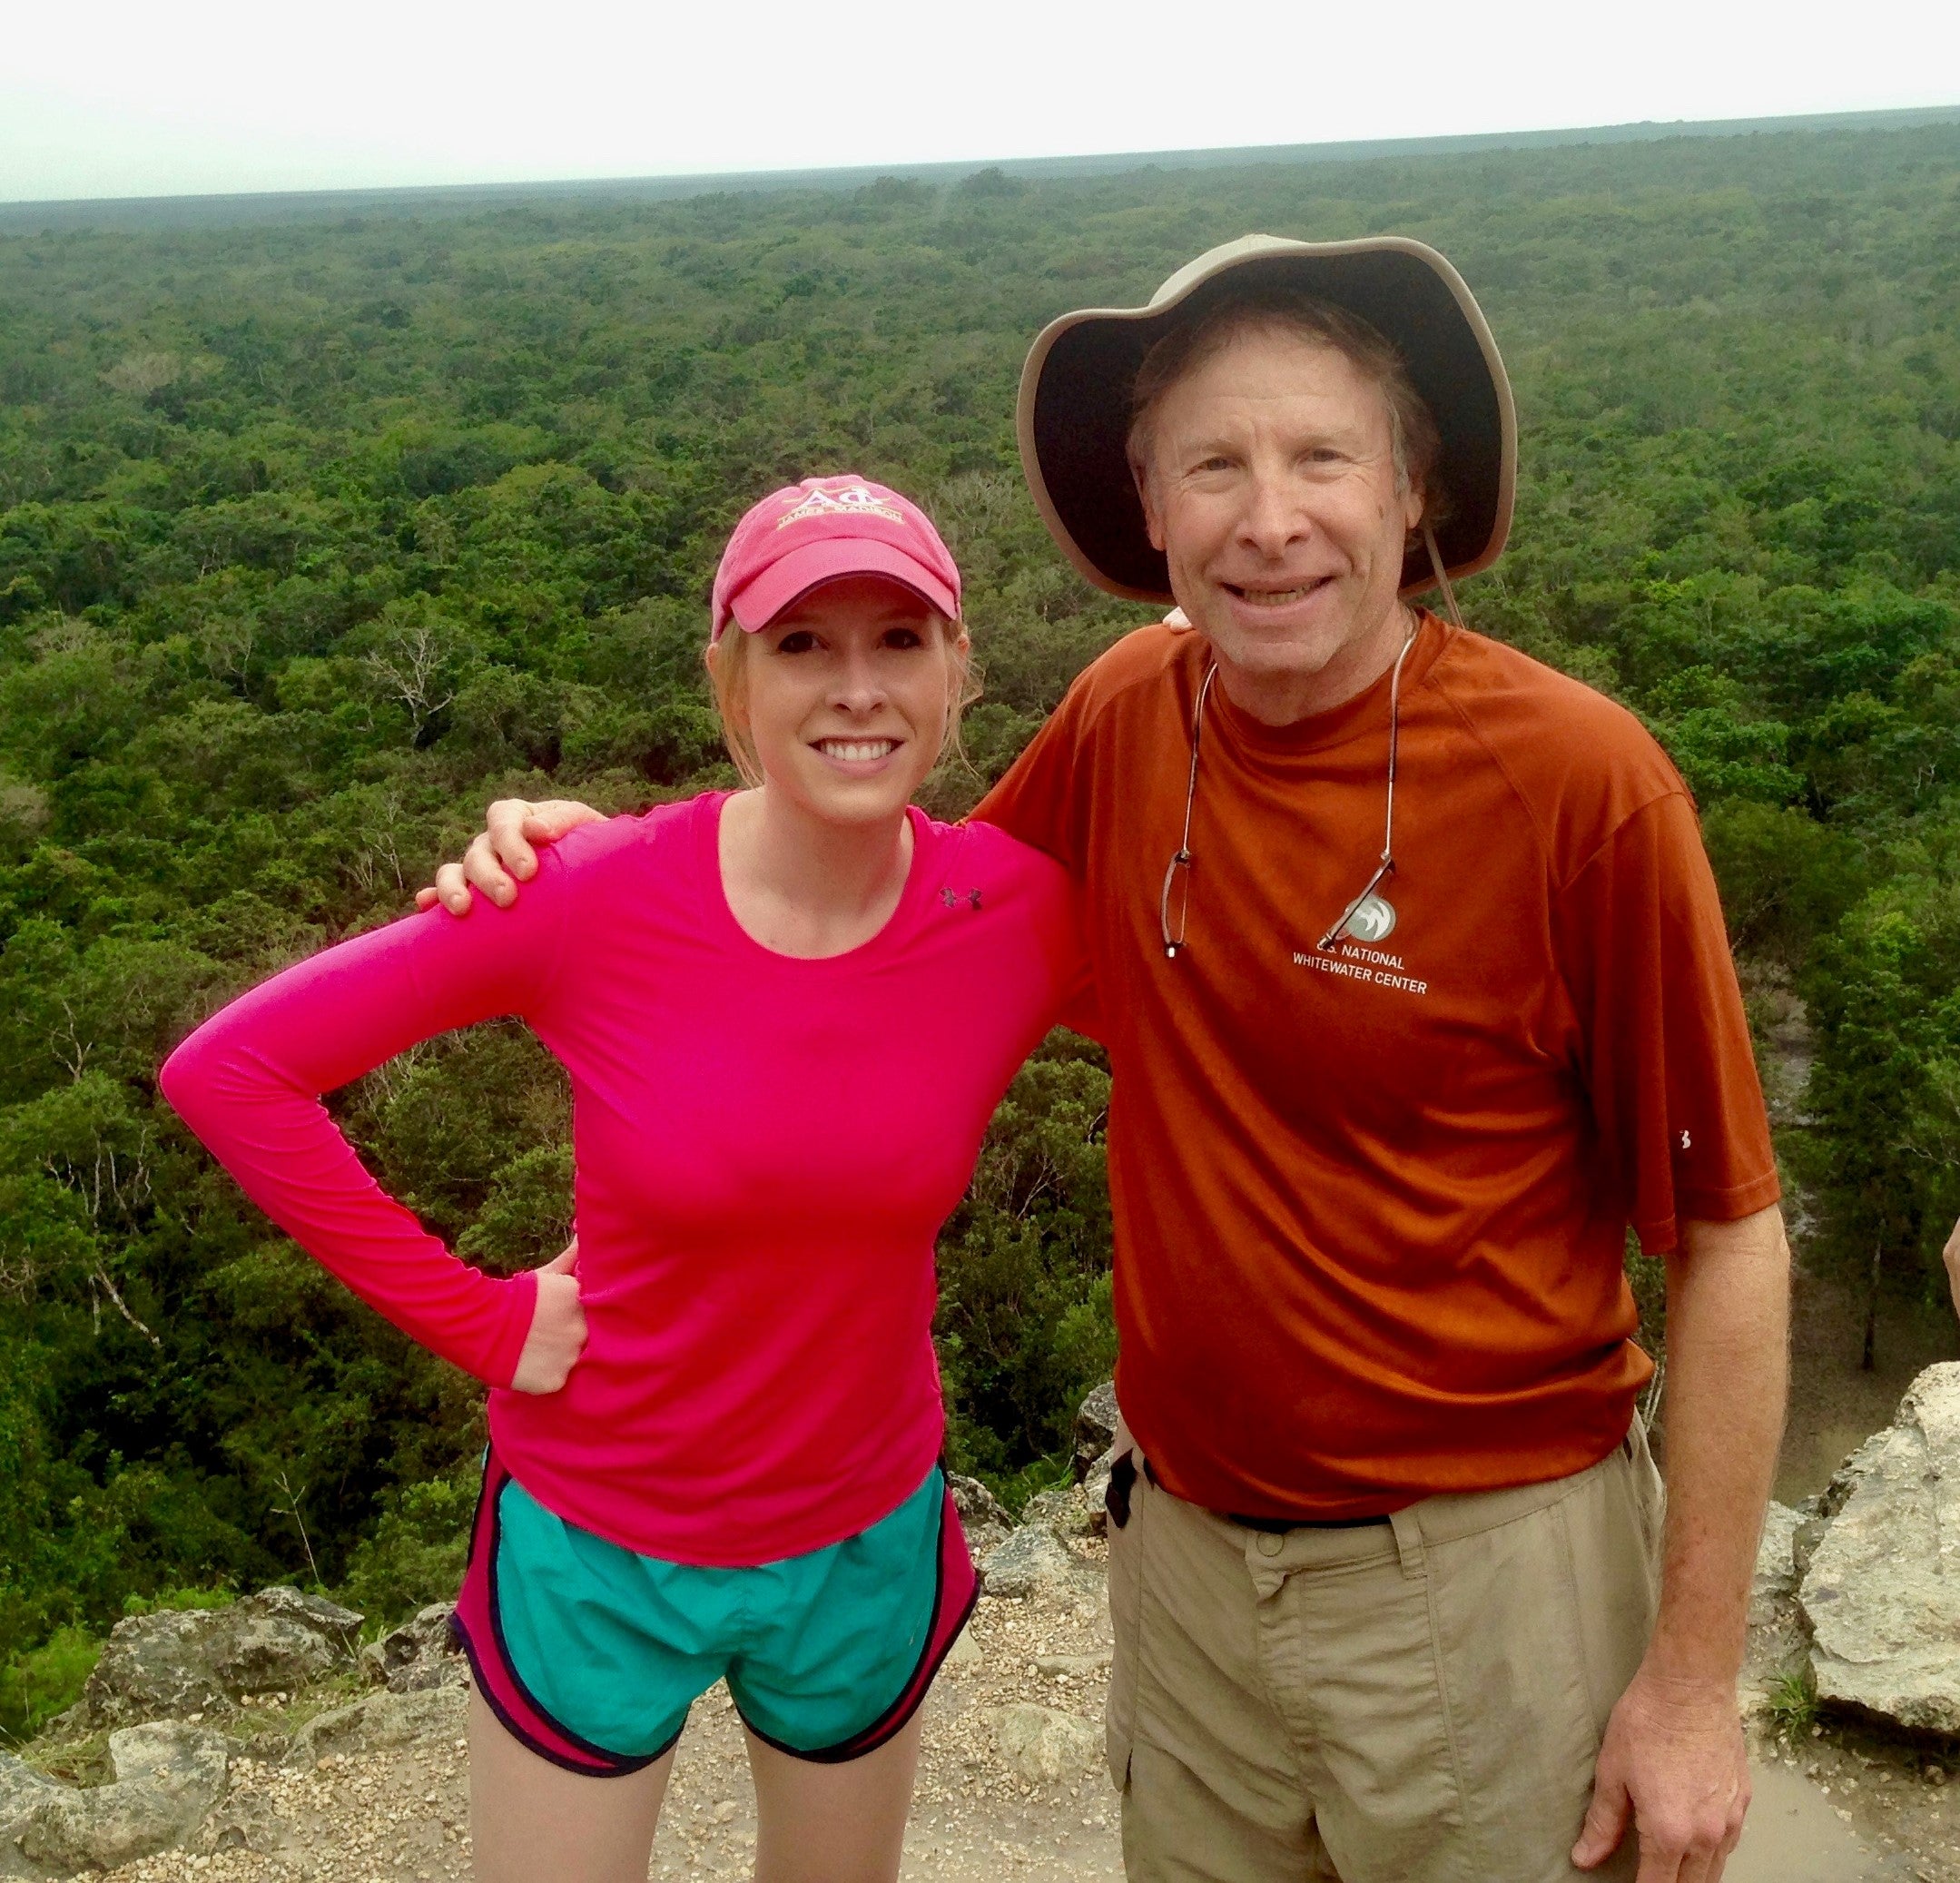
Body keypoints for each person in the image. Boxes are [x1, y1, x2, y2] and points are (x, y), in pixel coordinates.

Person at [425, 237, 1790, 1883]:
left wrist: (1696, 1680)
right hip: (1193, 1563)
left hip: (1488, 1575)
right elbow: (891, 945)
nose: (1267, 517)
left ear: (1414, 488)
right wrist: (607, 875)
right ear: (1151, 508)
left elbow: (1728, 1233)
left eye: (1321, 456)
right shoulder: (1135, 708)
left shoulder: (1579, 783)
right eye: (1213, 463)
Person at [161, 475, 1084, 1883]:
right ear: (730, 681)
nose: (856, 687)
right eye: (799, 644)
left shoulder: (1014, 911)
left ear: (962, 670)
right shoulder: (589, 892)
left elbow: (1251, 1031)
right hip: (602, 1536)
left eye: (900, 640)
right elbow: (231, 1073)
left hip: (864, 1529)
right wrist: (473, 1319)